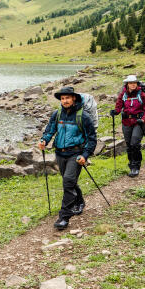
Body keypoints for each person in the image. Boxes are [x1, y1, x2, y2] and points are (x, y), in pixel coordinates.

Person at [37, 86, 97, 230]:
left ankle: (64, 216)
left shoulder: (83, 116)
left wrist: (85, 155)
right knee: (68, 180)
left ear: (73, 98)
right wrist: (44, 140)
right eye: (63, 98)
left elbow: (92, 138)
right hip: (60, 153)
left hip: (76, 154)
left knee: (68, 182)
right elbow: (50, 129)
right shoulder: (57, 114)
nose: (65, 101)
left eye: (67, 98)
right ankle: (80, 201)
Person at [109, 74, 145, 177]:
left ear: (137, 83)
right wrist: (115, 112)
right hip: (126, 122)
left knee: (134, 144)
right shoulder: (123, 95)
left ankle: (136, 166)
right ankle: (131, 166)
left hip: (138, 122)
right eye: (131, 83)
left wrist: (143, 119)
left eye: (134, 83)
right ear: (127, 84)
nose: (133, 85)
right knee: (129, 145)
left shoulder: (142, 95)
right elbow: (118, 107)